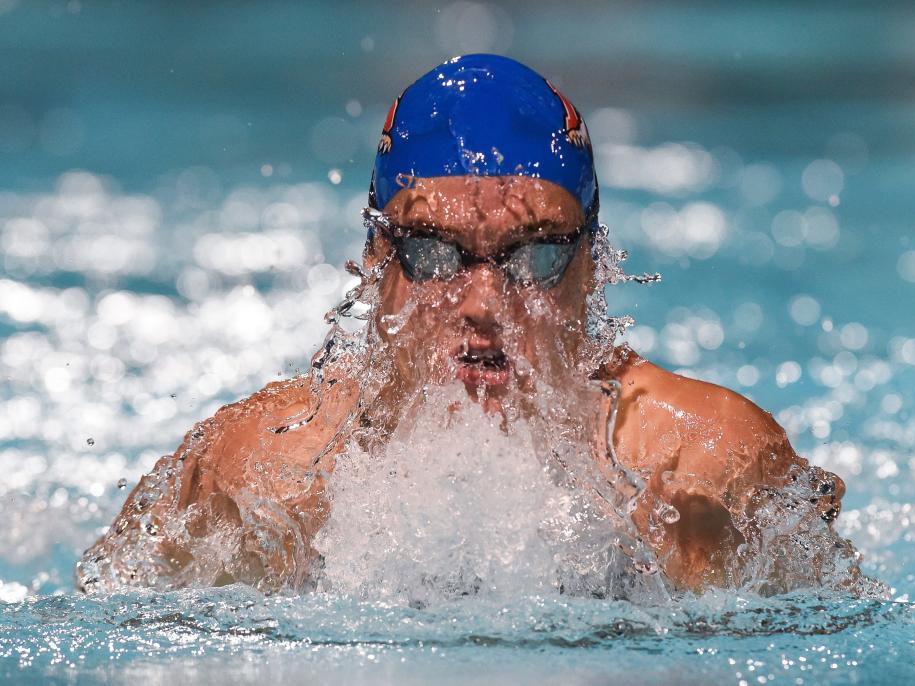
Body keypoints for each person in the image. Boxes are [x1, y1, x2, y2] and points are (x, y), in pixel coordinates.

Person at [77, 54, 851, 595]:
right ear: (376, 263)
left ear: (594, 269)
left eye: (536, 258)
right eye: (434, 254)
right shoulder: (262, 480)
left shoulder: (700, 468)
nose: (484, 304)